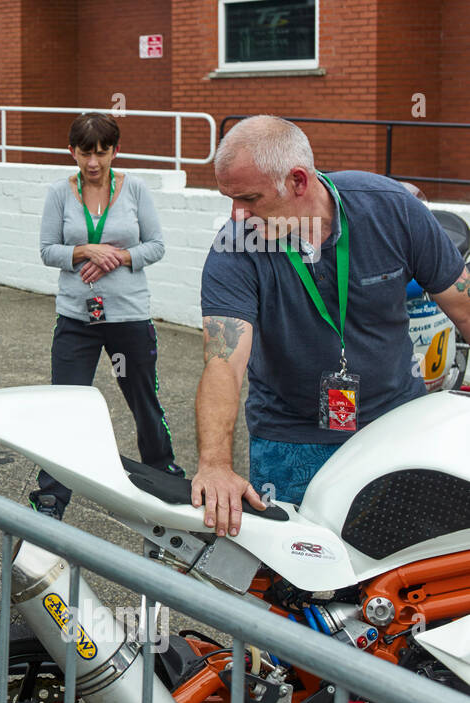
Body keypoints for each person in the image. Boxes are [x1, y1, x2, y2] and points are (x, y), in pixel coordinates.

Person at [193, 115, 470, 536]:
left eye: (249, 198)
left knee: (399, 567)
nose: (237, 215)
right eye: (230, 200)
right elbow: (222, 362)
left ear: (299, 181)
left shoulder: (390, 208)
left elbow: (464, 308)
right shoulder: (235, 246)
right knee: (293, 577)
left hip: (395, 421)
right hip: (290, 434)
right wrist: (215, 464)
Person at [33, 113, 183, 519]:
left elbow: (156, 246)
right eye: (85, 153)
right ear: (72, 152)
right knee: (65, 405)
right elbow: (48, 250)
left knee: (143, 398)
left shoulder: (134, 189)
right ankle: (51, 494)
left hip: (128, 317)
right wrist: (84, 251)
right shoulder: (59, 193)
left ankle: (162, 471)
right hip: (76, 320)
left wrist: (117, 256)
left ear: (115, 150)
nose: (94, 162)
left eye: (102, 152)